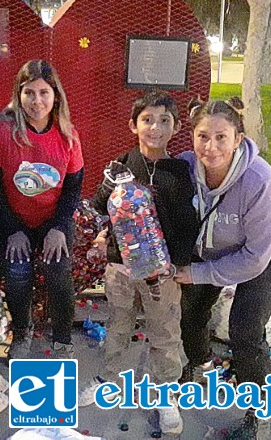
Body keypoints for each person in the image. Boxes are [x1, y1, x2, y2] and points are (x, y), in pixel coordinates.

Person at [174, 97, 271, 440]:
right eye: (202, 136)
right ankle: (200, 363)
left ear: (238, 139)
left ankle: (257, 411)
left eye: (220, 138)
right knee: (191, 313)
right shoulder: (184, 167)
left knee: (244, 328)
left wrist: (198, 274)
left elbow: (256, 257)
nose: (210, 147)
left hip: (270, 252)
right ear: (193, 136)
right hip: (211, 248)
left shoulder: (260, 181)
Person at [79, 91, 198, 435]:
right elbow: (101, 207)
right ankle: (110, 379)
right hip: (119, 267)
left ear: (176, 127)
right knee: (118, 324)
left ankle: (165, 393)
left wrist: (174, 266)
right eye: (147, 120)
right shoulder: (123, 164)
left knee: (164, 332)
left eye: (164, 121)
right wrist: (108, 184)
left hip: (161, 274)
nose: (155, 128)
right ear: (133, 125)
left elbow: (187, 224)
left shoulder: (179, 172)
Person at [0, 60, 84, 360]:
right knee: (18, 270)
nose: (36, 101)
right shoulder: (1, 132)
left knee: (58, 271)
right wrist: (12, 230)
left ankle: (63, 337)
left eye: (44, 93)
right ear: (19, 94)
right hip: (13, 218)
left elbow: (72, 188)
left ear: (56, 96)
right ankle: (22, 331)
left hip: (52, 218)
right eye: (29, 93)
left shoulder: (68, 135)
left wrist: (59, 227)